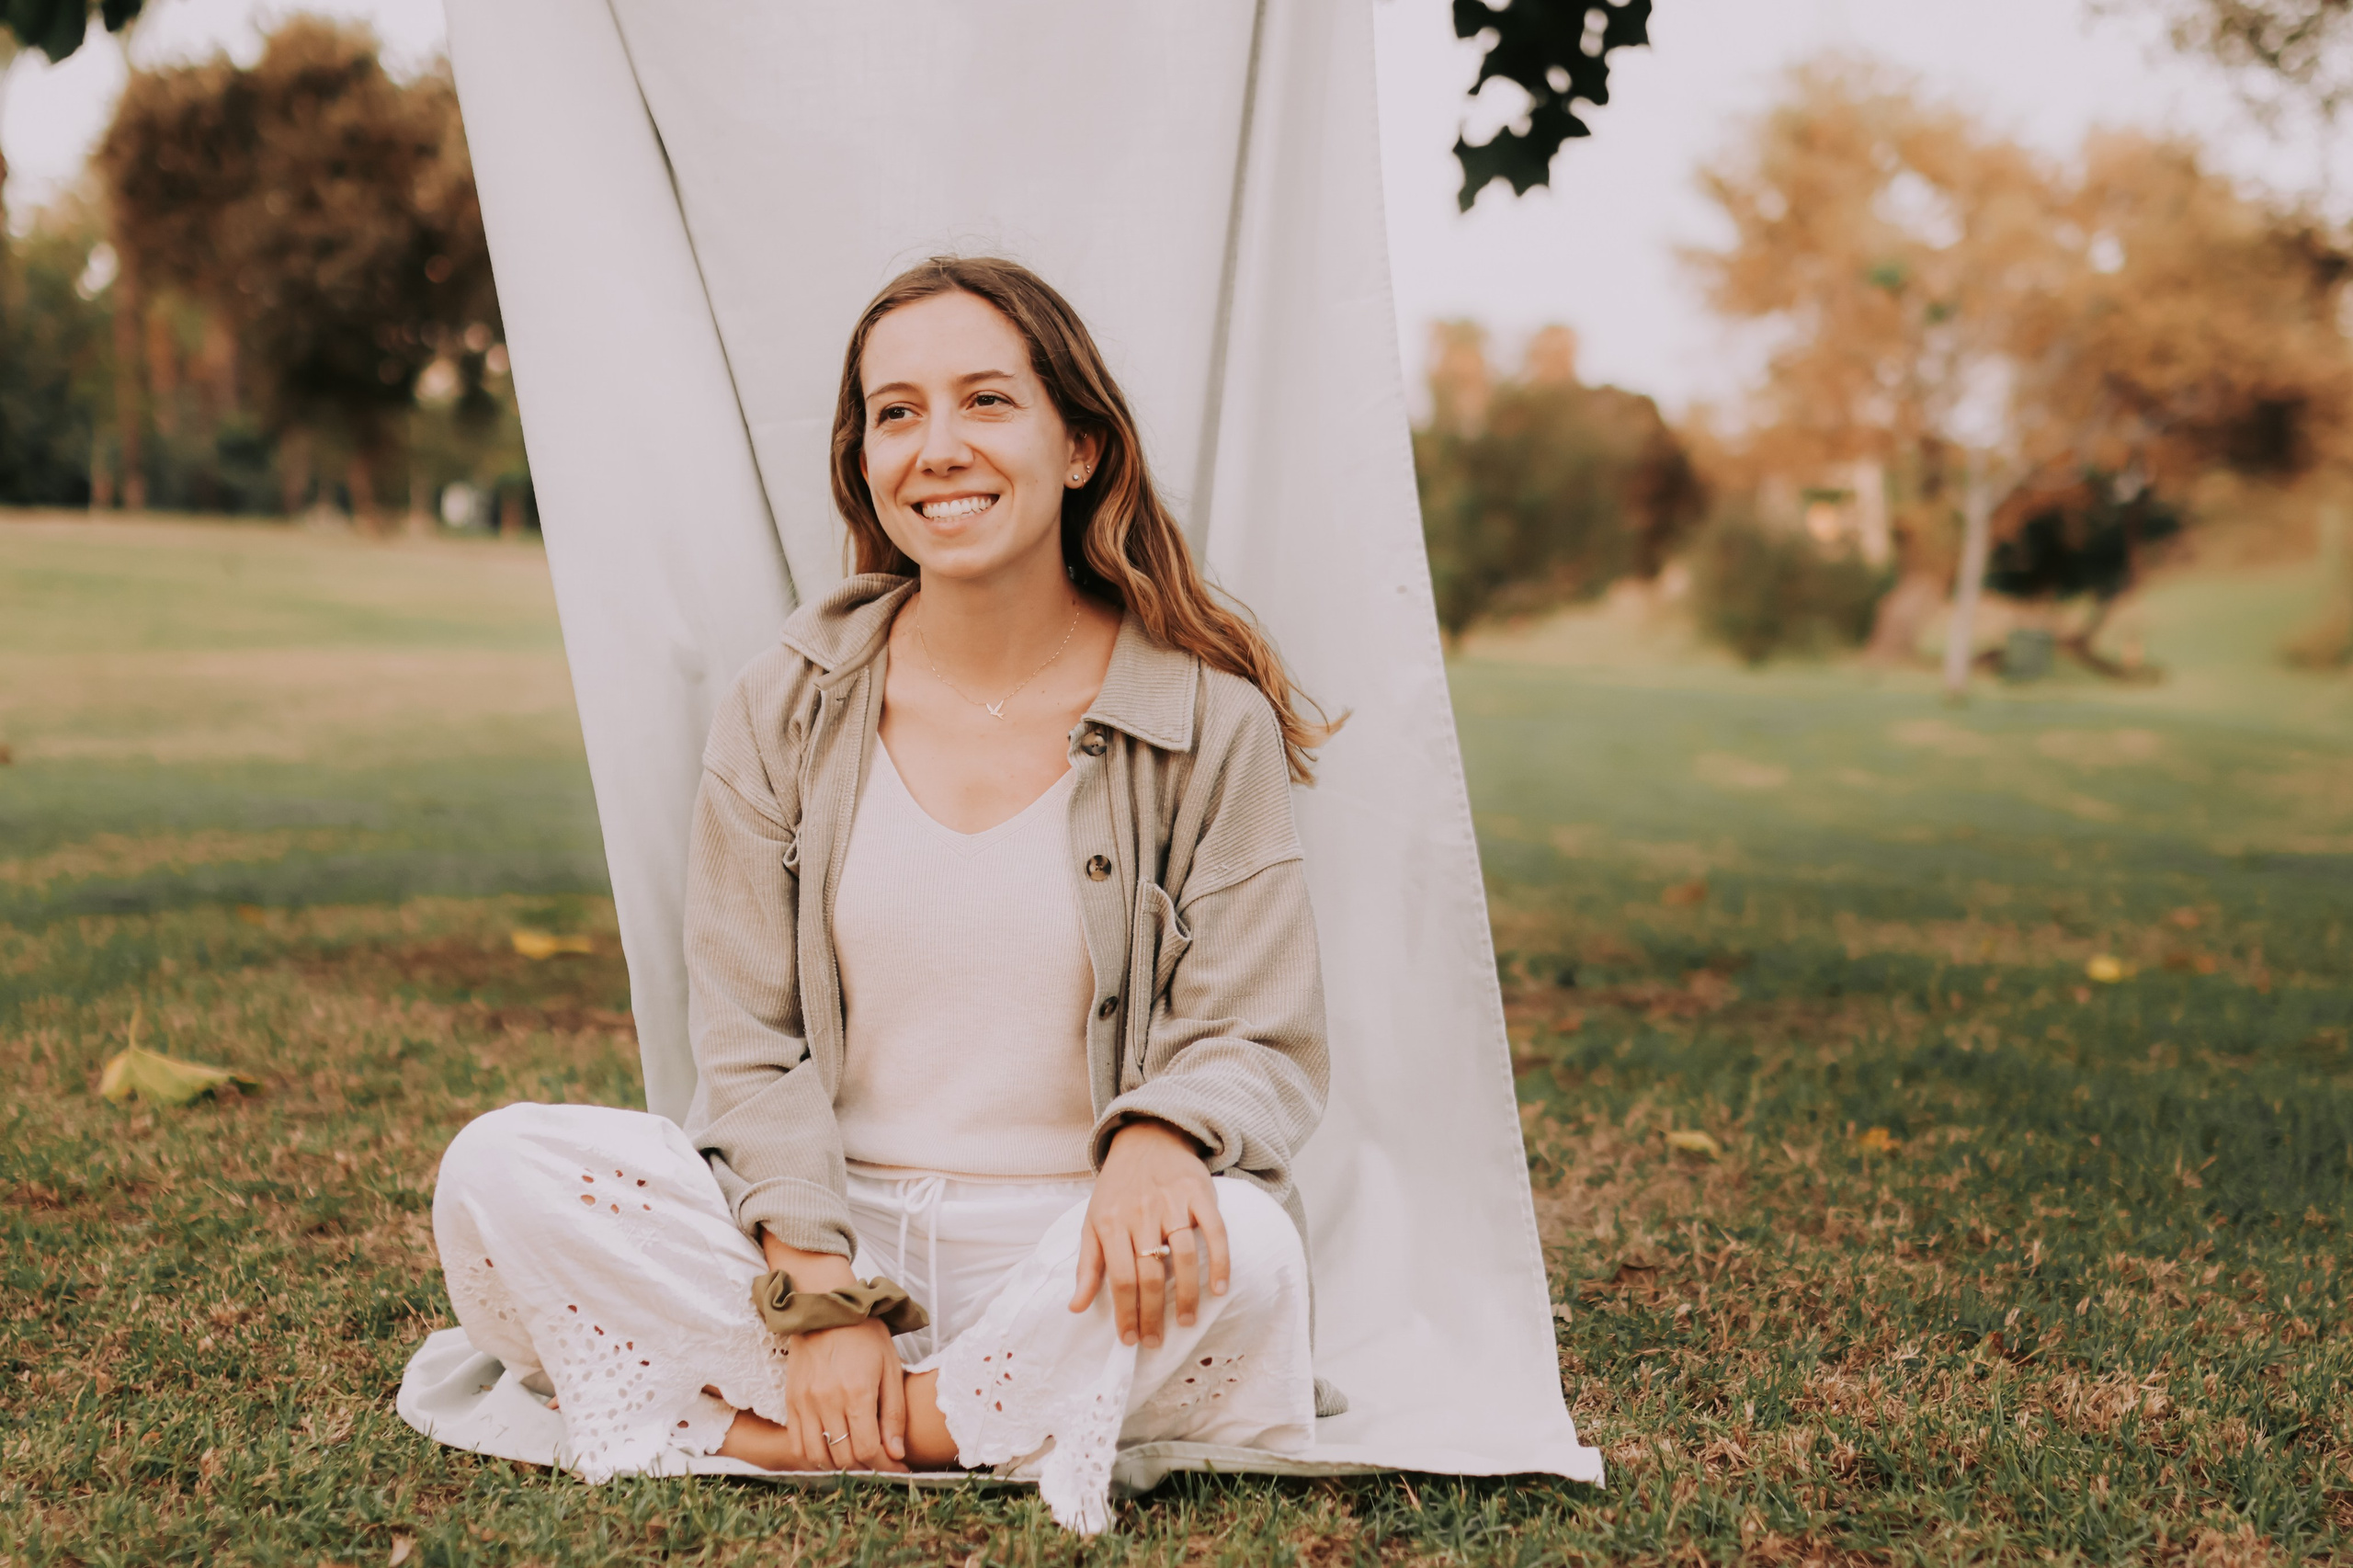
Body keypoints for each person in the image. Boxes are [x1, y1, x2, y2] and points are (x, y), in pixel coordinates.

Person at [426, 256, 1339, 1533]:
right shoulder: (786, 701)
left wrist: (1156, 1140)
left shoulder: (1202, 718)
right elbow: (746, 1041)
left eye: (986, 401)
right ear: (863, 462)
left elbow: (1259, 1032)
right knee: (502, 1167)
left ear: (1081, 445)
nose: (938, 447)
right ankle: (970, 1414)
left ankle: (803, 1434)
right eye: (896, 413)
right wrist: (820, 1294)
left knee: (1252, 1251)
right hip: (819, 1223)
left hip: (1068, 1250)